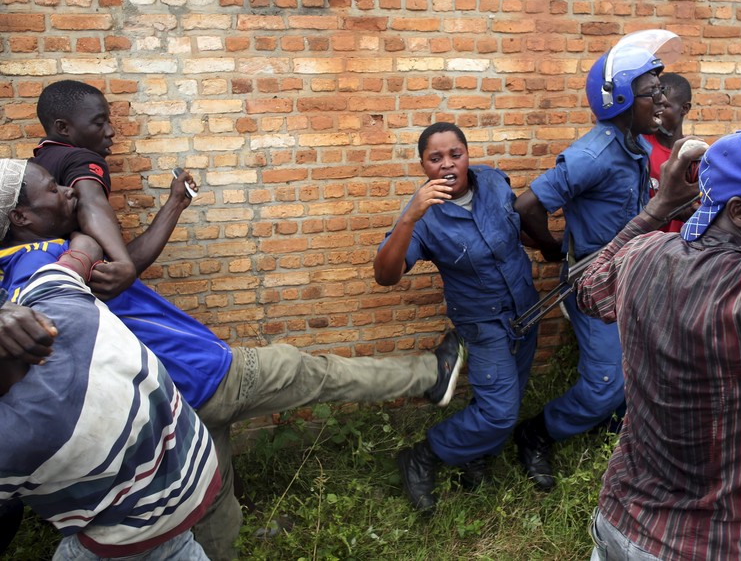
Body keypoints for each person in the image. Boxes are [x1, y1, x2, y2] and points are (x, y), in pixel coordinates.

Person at [0, 159, 464, 561]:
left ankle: (224, 549)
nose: (68, 190)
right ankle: (431, 375)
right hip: (208, 376)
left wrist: (171, 204)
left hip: (177, 403)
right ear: (21, 216)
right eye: (52, 188)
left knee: (211, 491)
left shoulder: (17, 274)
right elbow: (95, 219)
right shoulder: (45, 263)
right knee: (317, 373)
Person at [574, 124, 741, 560]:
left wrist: (657, 208)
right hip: (699, 546)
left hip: (618, 522)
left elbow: (589, 287)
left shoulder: (645, 252)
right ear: (739, 212)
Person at [1, 230, 220, 560]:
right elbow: (86, 243)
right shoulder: (56, 298)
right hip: (194, 467)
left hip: (130, 529)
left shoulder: (13, 438)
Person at [512, 37, 669, 490]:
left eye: (660, 89)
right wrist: (553, 247)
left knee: (637, 367)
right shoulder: (593, 154)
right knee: (605, 383)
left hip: (632, 274)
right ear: (619, 99)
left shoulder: (635, 145)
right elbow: (527, 206)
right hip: (593, 280)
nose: (660, 98)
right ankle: (537, 433)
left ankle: (616, 427)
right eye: (651, 91)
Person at [374, 122, 539, 511]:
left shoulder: (495, 182)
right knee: (500, 414)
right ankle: (422, 456)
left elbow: (518, 231)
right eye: (435, 159)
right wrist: (410, 217)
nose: (447, 165)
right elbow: (385, 275)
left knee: (508, 396)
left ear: (467, 155)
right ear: (423, 166)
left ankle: (474, 453)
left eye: (455, 155)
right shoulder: (423, 217)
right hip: (483, 323)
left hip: (526, 308)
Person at [33, 79, 198, 300]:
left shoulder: (35, 168)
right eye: (99, 123)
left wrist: (176, 202)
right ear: (63, 127)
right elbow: (91, 203)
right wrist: (122, 262)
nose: (110, 131)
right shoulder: (81, 158)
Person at [642, 72, 693, 233]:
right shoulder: (640, 146)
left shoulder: (693, 156)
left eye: (666, 106)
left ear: (685, 108)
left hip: (677, 250)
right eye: (656, 103)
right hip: (641, 249)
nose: (658, 109)